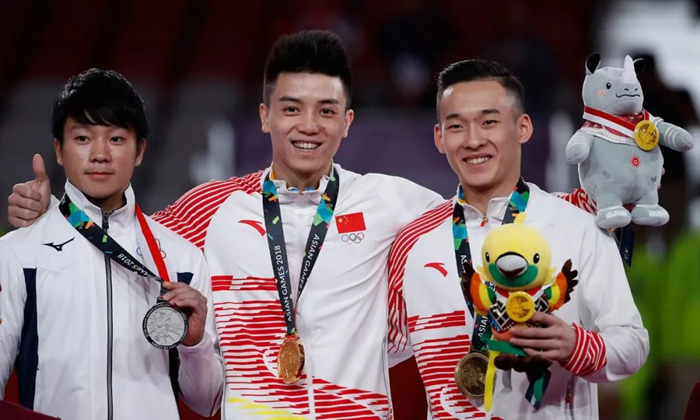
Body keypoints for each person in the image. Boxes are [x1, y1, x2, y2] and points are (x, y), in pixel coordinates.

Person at [6, 32, 605, 419]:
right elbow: (115, 241)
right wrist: (48, 214)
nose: (308, 126)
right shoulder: (211, 208)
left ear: (348, 121)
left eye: (326, 111)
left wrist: (591, 203)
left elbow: (491, 219)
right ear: (266, 116)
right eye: (291, 109)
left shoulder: (392, 202)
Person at [387, 59, 649, 419]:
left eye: (489, 122)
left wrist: (576, 345)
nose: (473, 140)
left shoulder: (578, 227)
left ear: (523, 127)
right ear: (439, 137)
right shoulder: (412, 241)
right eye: (457, 126)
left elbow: (633, 344)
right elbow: (380, 352)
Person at [0, 69, 224, 420]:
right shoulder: (19, 254)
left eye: (117, 139)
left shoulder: (183, 260)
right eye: (83, 138)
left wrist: (195, 345)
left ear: (140, 151)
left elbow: (207, 402)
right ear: (59, 150)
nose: (100, 154)